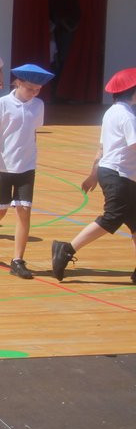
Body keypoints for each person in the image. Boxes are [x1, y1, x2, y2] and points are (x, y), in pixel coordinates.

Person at [51, 68, 136, 285]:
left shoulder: (111, 113)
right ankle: (66, 249)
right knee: (112, 217)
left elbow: (102, 148)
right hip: (119, 174)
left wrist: (93, 174)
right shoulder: (127, 116)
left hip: (116, 173)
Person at [0, 64, 54, 279]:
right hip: (3, 166)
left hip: (26, 166)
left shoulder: (38, 105)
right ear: (18, 83)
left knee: (24, 211)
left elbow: (32, 132)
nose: (34, 93)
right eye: (30, 88)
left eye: (37, 90)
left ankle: (17, 260)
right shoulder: (3, 103)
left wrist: (31, 154)